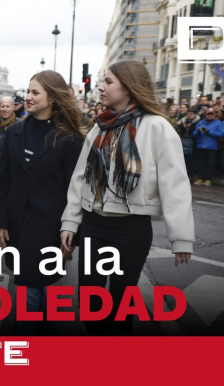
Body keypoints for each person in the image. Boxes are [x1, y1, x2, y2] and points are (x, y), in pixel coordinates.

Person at [60, 60, 194, 335]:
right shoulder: (100, 127)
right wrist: (70, 223)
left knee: (122, 305)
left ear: (129, 87)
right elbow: (80, 179)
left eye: (109, 81)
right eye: (103, 81)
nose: (101, 87)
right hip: (94, 224)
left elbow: (175, 184)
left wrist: (181, 237)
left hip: (131, 228)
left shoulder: (159, 128)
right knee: (89, 304)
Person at [0, 70, 84, 335]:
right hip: (17, 225)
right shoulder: (16, 131)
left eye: (35, 92)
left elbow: (75, 190)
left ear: (53, 98)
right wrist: (0, 221)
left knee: (29, 288)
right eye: (28, 91)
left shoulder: (69, 138)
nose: (28, 97)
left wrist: (72, 234)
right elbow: (4, 179)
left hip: (49, 227)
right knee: (36, 286)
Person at [192, 108, 224, 187]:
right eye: (208, 114)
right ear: (205, 114)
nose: (209, 115)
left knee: (210, 164)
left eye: (211, 114)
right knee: (201, 163)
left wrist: (209, 132)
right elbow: (194, 134)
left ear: (214, 114)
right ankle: (201, 177)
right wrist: (198, 131)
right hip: (200, 146)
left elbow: (221, 134)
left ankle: (208, 179)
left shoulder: (218, 123)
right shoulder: (200, 122)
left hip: (212, 147)